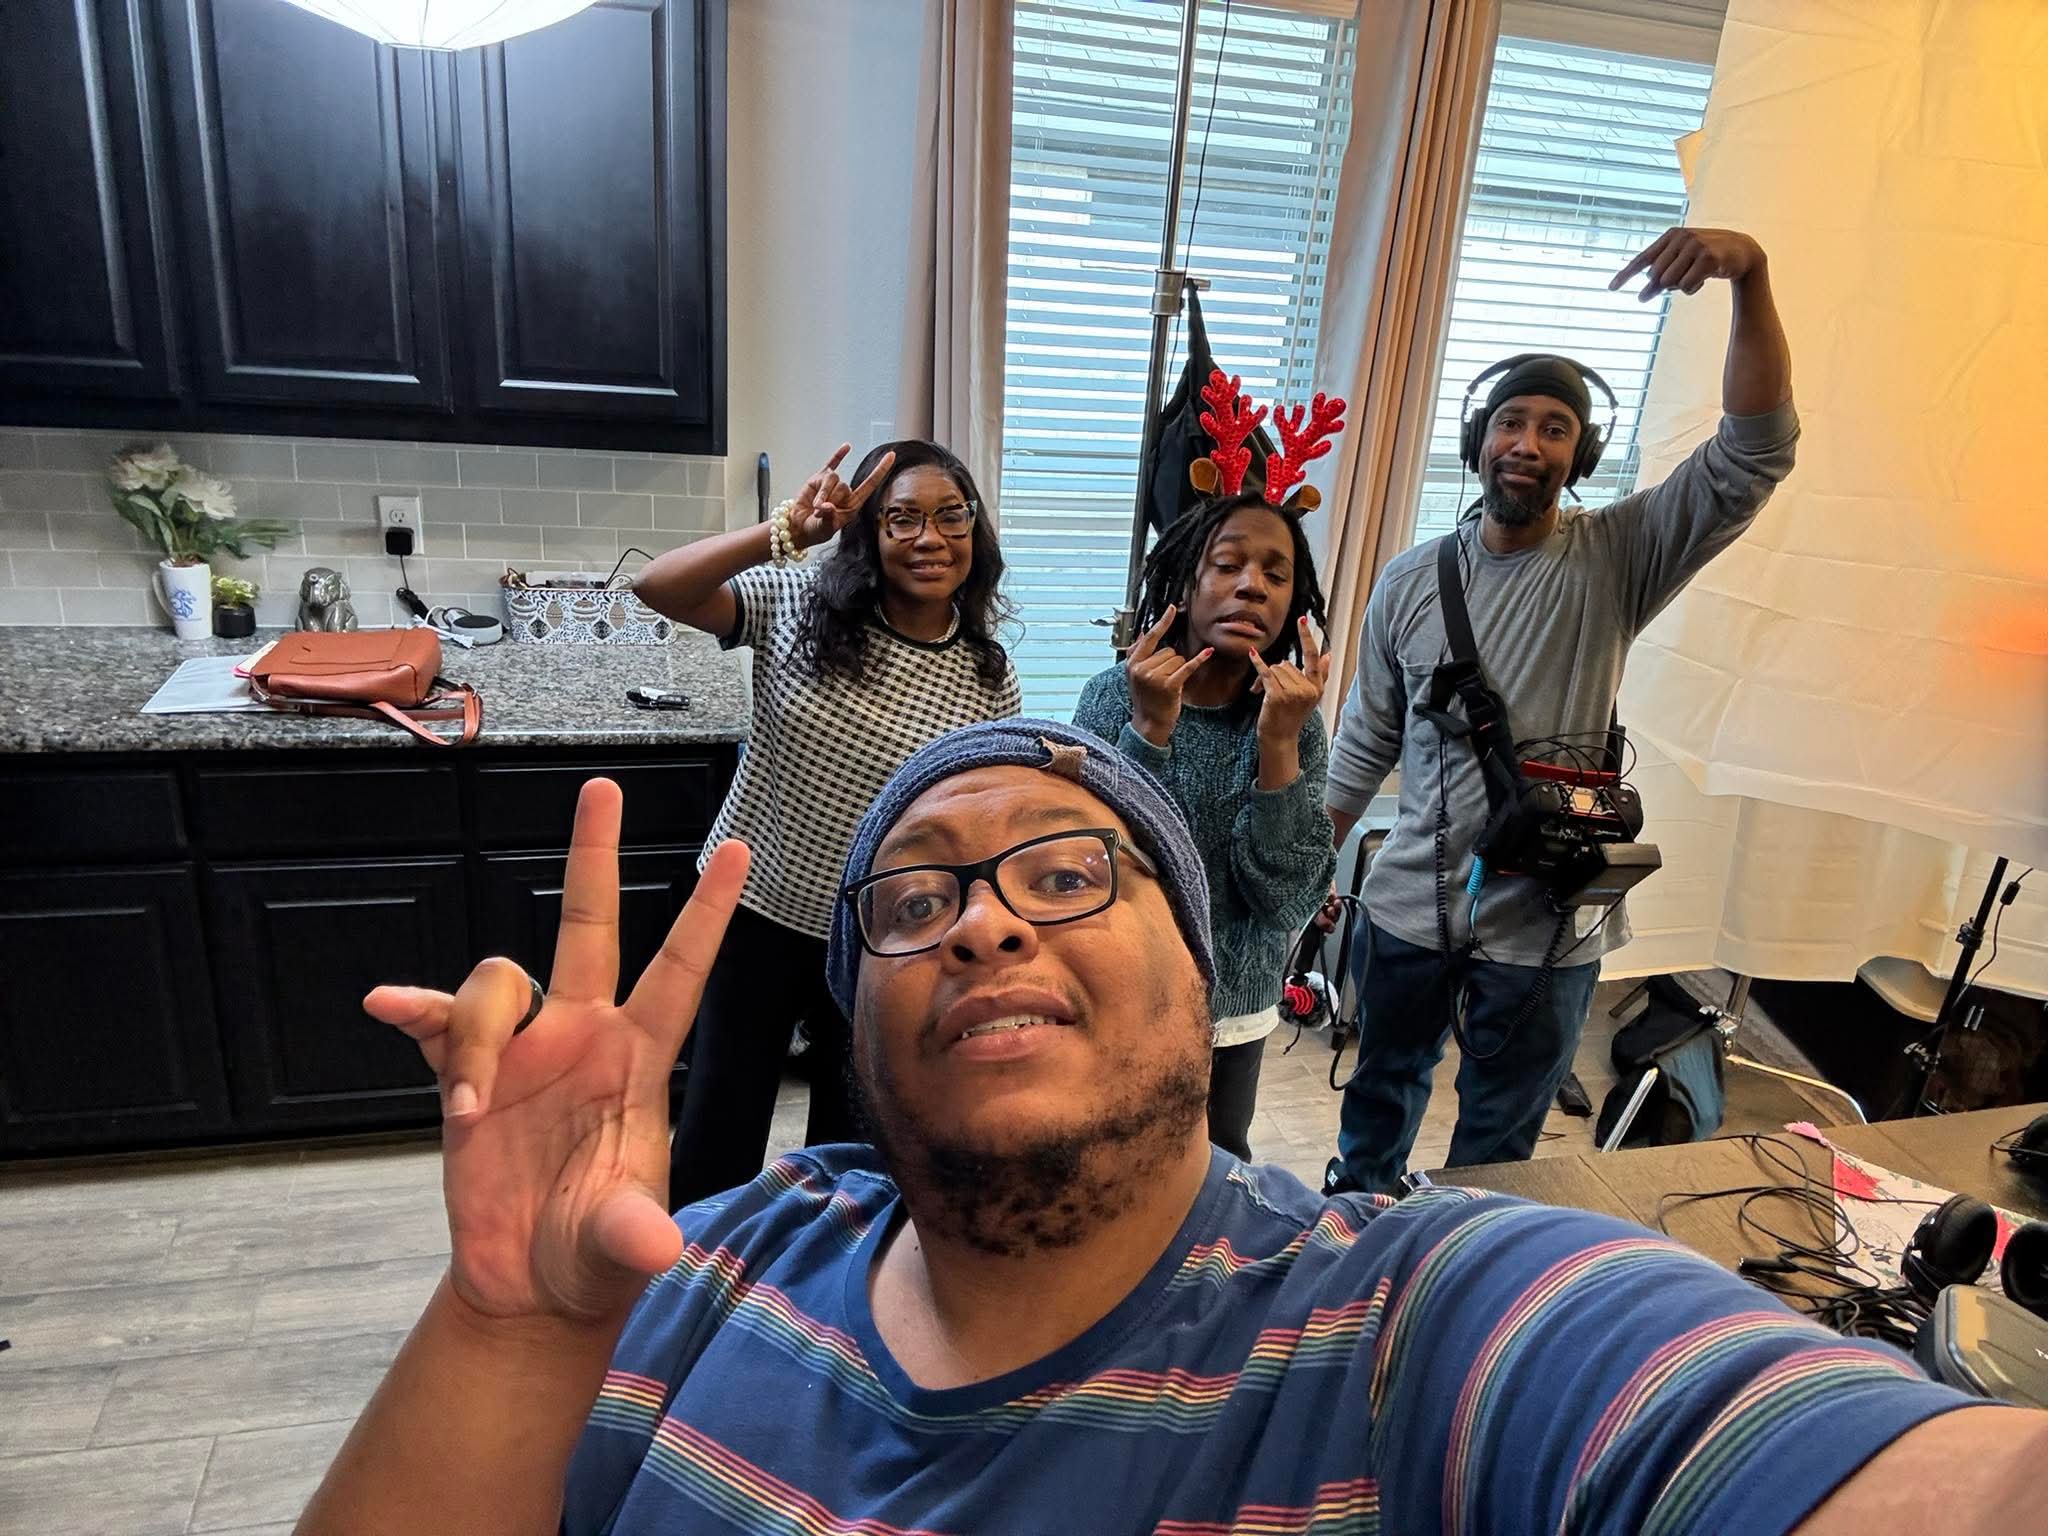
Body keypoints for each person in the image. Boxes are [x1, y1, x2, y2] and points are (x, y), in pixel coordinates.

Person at [303, 720, 2045, 1536]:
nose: (987, 921)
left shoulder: (1414, 1325)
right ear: (856, 1029)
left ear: (1197, 964)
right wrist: (507, 1324)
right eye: (914, 900)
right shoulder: (709, 1265)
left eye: (1069, 873)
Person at [1323, 226, 1799, 1194]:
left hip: (1548, 921)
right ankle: (1359, 1242)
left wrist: (1750, 271)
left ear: (1580, 454)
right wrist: (1304, 869)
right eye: (1511, 421)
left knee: (1500, 1145)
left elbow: (1755, 451)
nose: (1527, 444)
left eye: (1554, 428)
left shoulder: (1617, 556)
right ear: (1478, 439)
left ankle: (1464, 1263)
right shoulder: (1408, 581)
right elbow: (1366, 739)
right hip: (1411, 904)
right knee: (1376, 1104)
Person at [633, 440, 1019, 1206]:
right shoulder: (798, 602)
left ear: (975, 532)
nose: (930, 538)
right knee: (716, 1136)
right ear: (870, 532)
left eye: (952, 517)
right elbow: (657, 585)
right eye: (903, 518)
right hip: (756, 913)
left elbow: (973, 816)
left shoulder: (988, 674)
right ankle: (693, 1268)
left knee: (848, 1153)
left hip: (881, 939)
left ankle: (816, 1275)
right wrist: (785, 532)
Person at [1072, 489, 1336, 1159]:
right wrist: (1148, 731)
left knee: (1217, 1166)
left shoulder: (1294, 719)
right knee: (1107, 1158)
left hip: (1234, 1011)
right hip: (1121, 996)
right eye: (1228, 564)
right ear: (1186, 583)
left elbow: (1285, 901)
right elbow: (1094, 866)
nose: (1252, 586)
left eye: (1276, 574)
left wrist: (1278, 744)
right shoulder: (1112, 696)